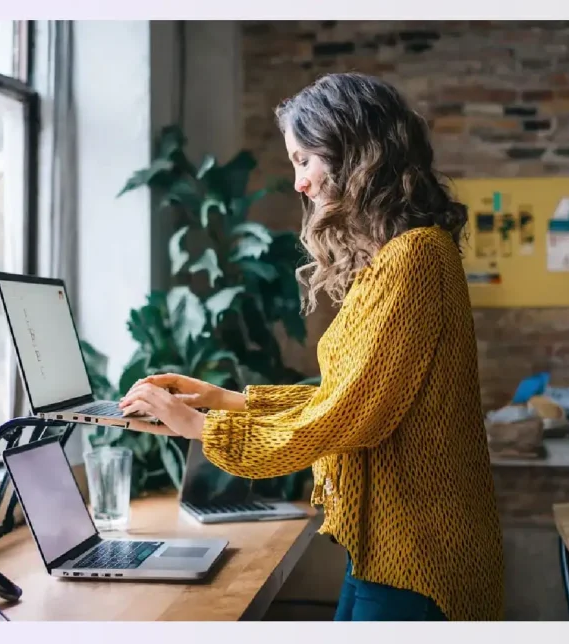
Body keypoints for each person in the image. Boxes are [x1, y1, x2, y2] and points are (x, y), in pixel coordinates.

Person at [118, 73, 505, 621]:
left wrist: (200, 428)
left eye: (304, 159)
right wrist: (224, 399)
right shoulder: (402, 256)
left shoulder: (414, 258)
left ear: (352, 151)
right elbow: (347, 398)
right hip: (396, 547)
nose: (298, 183)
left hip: (421, 555)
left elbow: (350, 417)